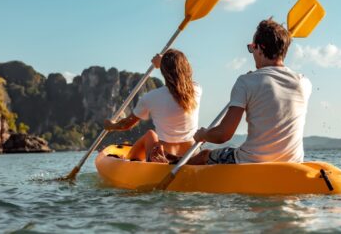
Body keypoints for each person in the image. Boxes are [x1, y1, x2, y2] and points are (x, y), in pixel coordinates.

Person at [188, 18, 312, 165]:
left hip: (250, 161)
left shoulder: (246, 82)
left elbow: (223, 135)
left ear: (260, 48)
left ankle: (173, 167)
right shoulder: (304, 83)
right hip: (292, 163)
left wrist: (204, 134)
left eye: (252, 47)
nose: (252, 52)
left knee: (205, 155)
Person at [104, 49, 202, 163]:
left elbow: (126, 125)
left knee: (150, 134)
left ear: (164, 71)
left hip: (165, 156)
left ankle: (130, 161)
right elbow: (180, 77)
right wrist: (163, 63)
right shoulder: (196, 90)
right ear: (187, 68)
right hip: (192, 154)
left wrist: (111, 126)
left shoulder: (150, 97)